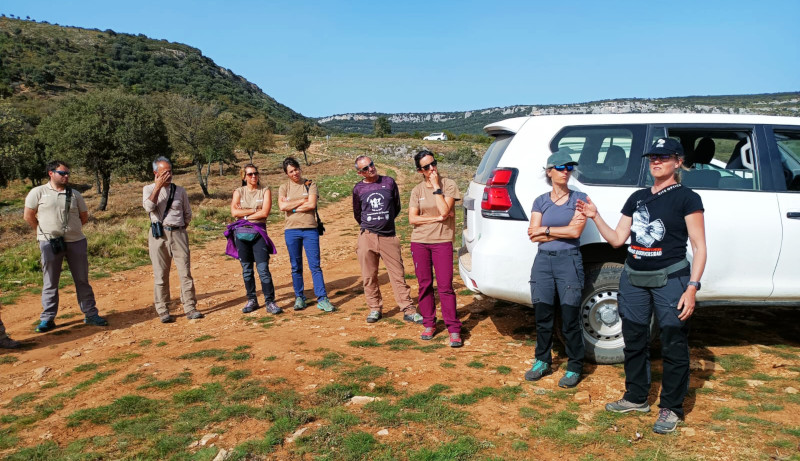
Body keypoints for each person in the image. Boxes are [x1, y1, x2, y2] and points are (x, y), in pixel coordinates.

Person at [576, 137, 707, 434]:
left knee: (674, 343)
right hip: (633, 276)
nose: (656, 161)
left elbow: (699, 247)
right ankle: (636, 397)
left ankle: (671, 408)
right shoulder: (636, 197)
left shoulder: (688, 198)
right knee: (634, 339)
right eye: (652, 157)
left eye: (663, 157)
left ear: (678, 161)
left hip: (671, 278)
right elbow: (617, 240)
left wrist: (692, 287)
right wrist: (595, 216)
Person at [523, 149, 588, 388]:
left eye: (569, 167)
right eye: (560, 167)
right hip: (543, 262)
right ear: (549, 172)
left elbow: (575, 232)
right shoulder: (540, 200)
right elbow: (532, 234)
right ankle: (542, 360)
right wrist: (549, 233)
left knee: (570, 317)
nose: (565, 172)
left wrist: (547, 231)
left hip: (568, 260)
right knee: (543, 316)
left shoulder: (580, 198)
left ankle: (574, 366)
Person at [23, 160, 108, 332]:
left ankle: (91, 314)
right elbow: (28, 216)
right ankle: (47, 319)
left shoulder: (75, 194)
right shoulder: (38, 192)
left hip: (76, 241)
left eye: (68, 173)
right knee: (50, 281)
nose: (66, 176)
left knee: (82, 279)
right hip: (49, 243)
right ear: (51, 173)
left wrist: (71, 231)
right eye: (63, 173)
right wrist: (42, 234)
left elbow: (84, 217)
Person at [352, 155, 421, 324]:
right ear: (360, 173)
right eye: (366, 168)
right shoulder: (358, 189)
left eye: (372, 164)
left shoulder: (389, 182)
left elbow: (396, 207)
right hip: (367, 236)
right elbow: (357, 213)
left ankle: (408, 309)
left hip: (388, 236)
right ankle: (375, 308)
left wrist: (385, 221)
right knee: (369, 276)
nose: (371, 169)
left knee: (398, 274)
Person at [408, 151, 463, 347]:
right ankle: (429, 323)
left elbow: (444, 211)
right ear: (420, 171)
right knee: (424, 284)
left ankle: (453, 328)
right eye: (426, 167)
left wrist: (437, 188)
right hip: (420, 241)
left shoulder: (448, 185)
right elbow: (412, 219)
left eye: (433, 164)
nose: (432, 169)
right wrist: (434, 219)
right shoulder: (417, 190)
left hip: (442, 241)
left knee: (446, 286)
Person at [143, 157, 204, 323]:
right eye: (164, 173)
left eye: (170, 172)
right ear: (155, 173)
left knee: (185, 273)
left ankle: (190, 307)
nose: (169, 175)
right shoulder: (148, 189)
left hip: (178, 233)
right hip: (158, 235)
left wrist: (181, 228)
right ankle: (163, 310)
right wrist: (157, 187)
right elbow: (149, 207)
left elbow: (188, 214)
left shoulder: (180, 190)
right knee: (160, 275)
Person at [277, 158, 335, 312]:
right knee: (296, 266)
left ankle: (322, 298)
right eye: (291, 171)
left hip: (310, 229)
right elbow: (282, 206)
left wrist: (293, 207)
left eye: (296, 169)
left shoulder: (310, 184)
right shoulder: (283, 188)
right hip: (291, 231)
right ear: (286, 173)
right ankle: (299, 297)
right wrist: (302, 201)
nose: (295, 173)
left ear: (300, 169)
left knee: (315, 266)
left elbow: (312, 204)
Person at [227, 163, 281, 315]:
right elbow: (233, 212)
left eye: (255, 173)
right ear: (244, 177)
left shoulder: (265, 191)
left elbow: (264, 213)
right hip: (241, 234)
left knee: (263, 269)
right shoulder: (238, 191)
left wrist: (243, 214)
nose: (254, 176)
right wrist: (252, 211)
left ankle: (270, 301)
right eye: (250, 174)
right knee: (247, 270)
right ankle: (252, 299)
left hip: (259, 234)